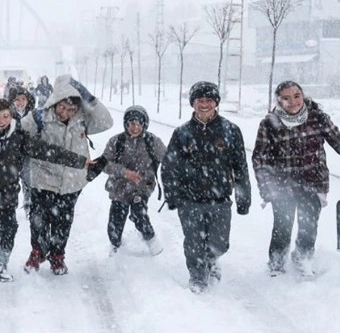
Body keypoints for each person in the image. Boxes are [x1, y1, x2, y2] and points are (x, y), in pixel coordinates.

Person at [0, 98, 91, 282]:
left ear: (11, 116)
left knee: (9, 228)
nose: (2, 121)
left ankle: (0, 264)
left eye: (6, 116)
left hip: (6, 192)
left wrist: (78, 160)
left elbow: (46, 150)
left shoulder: (18, 136)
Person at [252, 80, 340, 278]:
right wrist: (267, 187)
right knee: (282, 226)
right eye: (286, 98)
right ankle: (276, 264)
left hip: (313, 182)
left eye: (296, 96)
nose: (293, 102)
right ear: (279, 100)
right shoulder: (269, 123)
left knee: (308, 226)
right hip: (282, 186)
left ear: (303, 95)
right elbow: (260, 158)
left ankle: (303, 260)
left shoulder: (317, 118)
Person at [161, 81, 251, 294]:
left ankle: (211, 261)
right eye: (199, 100)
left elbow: (240, 166)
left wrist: (244, 196)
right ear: (192, 103)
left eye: (209, 100)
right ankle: (197, 277)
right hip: (189, 199)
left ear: (216, 103)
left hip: (220, 199)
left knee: (220, 243)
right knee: (193, 242)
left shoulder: (230, 130)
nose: (204, 104)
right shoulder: (182, 133)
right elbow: (169, 166)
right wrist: (173, 194)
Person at [20, 75, 113, 275]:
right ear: (55, 102)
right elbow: (17, 133)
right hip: (42, 179)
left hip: (71, 182)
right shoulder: (39, 118)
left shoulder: (82, 121)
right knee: (39, 219)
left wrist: (91, 100)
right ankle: (37, 252)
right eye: (62, 107)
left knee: (63, 221)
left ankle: (57, 256)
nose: (65, 113)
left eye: (71, 109)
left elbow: (106, 122)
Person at [101, 105, 166, 257]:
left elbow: (169, 159)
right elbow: (103, 164)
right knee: (115, 221)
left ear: (144, 124)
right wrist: (124, 172)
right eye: (131, 123)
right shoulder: (116, 141)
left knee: (139, 213)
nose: (135, 128)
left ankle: (152, 241)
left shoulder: (152, 141)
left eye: (138, 124)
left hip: (142, 187)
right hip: (119, 188)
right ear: (125, 124)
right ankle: (115, 247)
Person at [8, 86, 37, 215]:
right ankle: (10, 206)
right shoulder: (7, 114)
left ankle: (28, 203)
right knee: (11, 181)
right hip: (11, 153)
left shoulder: (33, 114)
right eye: (17, 99)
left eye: (23, 99)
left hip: (28, 152)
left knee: (28, 179)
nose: (20, 102)